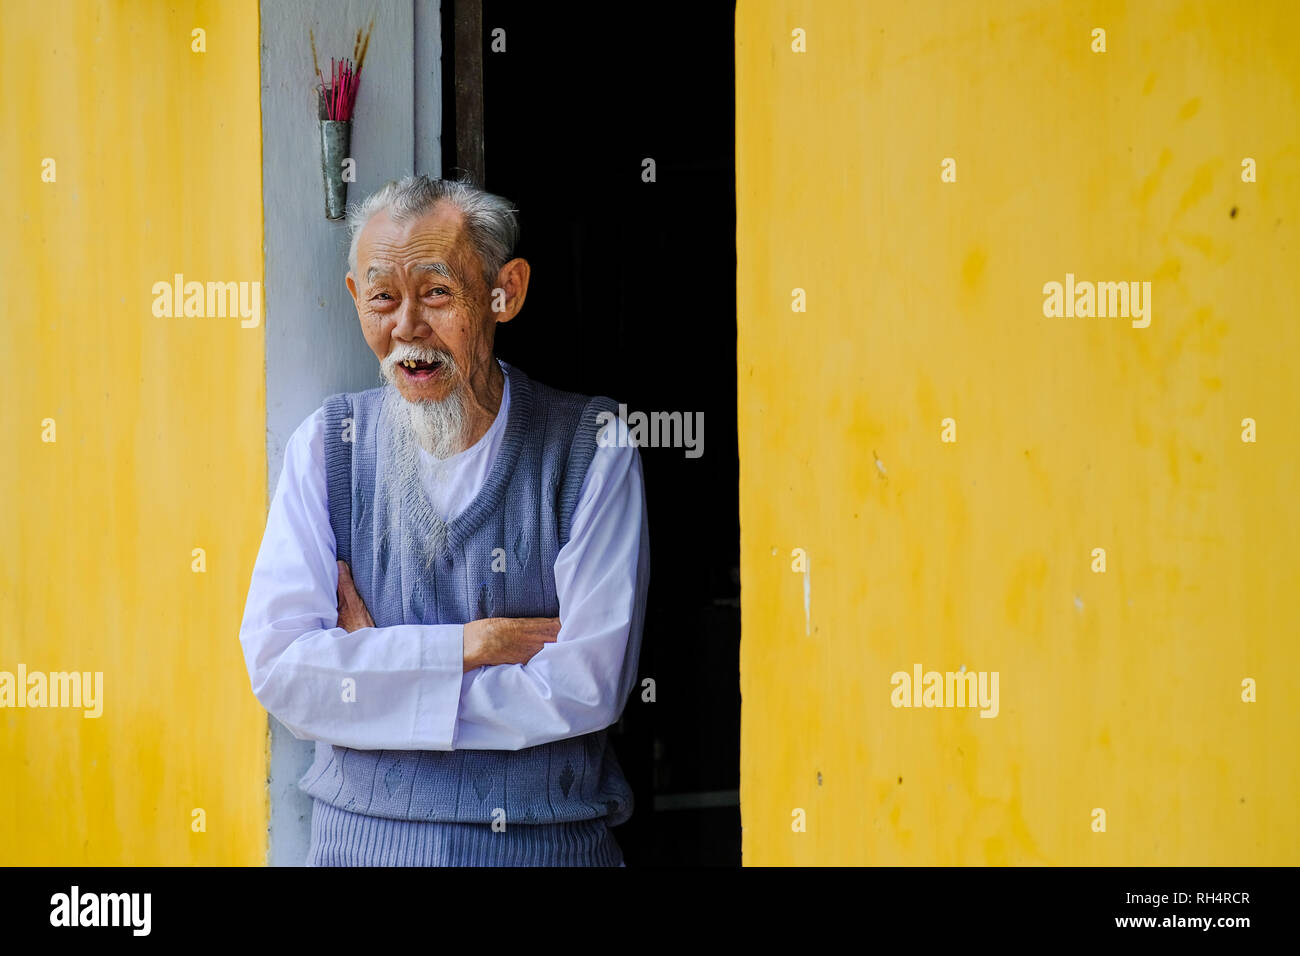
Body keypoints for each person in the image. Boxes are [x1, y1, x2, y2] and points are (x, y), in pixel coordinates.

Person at [238, 174, 649, 866]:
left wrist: (376, 673)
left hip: (544, 849)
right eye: (381, 299)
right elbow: (283, 672)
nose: (406, 329)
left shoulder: (592, 447)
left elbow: (586, 688)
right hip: (362, 849)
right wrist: (470, 647)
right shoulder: (327, 445)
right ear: (355, 301)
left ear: (504, 292)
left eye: (435, 294)